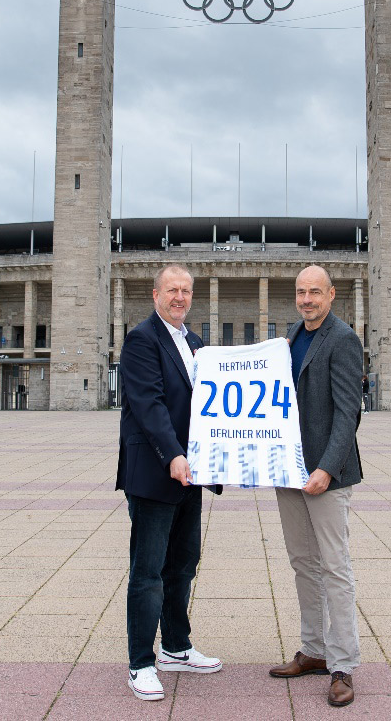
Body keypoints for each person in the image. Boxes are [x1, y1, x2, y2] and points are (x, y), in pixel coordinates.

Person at [116, 264, 222, 701]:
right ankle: (140, 662)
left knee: (183, 565)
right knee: (149, 572)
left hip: (190, 476)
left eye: (185, 290)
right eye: (171, 289)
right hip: (157, 473)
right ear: (155, 294)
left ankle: (176, 647)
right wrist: (173, 455)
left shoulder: (195, 343)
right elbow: (149, 404)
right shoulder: (143, 339)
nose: (179, 297)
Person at [269, 265, 363, 708]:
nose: (307, 299)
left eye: (315, 292)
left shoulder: (342, 339)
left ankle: (343, 664)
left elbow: (349, 413)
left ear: (331, 294)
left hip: (326, 474)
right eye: (301, 292)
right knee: (302, 563)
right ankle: (314, 650)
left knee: (335, 567)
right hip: (289, 471)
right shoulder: (290, 336)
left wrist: (326, 467)